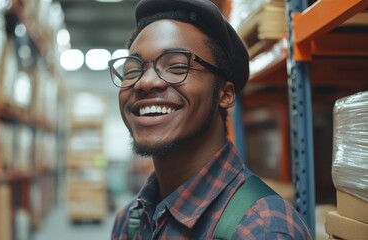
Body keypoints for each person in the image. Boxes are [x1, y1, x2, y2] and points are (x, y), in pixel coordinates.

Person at [109, 0, 313, 239]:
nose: (145, 82)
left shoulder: (260, 230)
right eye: (133, 70)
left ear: (224, 95)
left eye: (175, 66)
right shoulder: (130, 221)